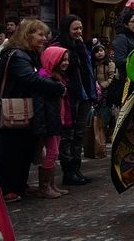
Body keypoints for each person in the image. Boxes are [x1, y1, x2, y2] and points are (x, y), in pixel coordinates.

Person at [0, 19, 65, 202]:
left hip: (24, 108)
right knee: (12, 150)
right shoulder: (17, 55)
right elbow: (31, 79)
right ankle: (8, 188)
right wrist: (56, 87)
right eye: (40, 34)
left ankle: (19, 185)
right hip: (13, 108)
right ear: (28, 35)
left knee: (24, 149)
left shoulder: (26, 54)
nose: (44, 38)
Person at [51, 14, 98, 186]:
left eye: (80, 28)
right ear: (66, 29)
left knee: (79, 134)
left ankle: (76, 169)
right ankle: (68, 171)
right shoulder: (59, 47)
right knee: (68, 135)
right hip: (69, 96)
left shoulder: (81, 46)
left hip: (85, 94)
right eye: (75, 29)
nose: (79, 32)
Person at [33, 46, 72, 198]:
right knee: (53, 152)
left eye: (67, 60)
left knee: (53, 153)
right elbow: (41, 106)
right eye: (62, 59)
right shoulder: (45, 78)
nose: (65, 63)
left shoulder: (55, 77)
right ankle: (45, 187)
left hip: (56, 120)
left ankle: (51, 184)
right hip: (49, 122)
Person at [111, 12, 134, 106]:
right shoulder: (122, 38)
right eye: (133, 21)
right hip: (125, 84)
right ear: (126, 24)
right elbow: (120, 61)